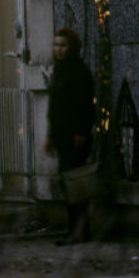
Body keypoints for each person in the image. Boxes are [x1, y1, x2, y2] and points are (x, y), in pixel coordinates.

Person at [44, 27, 96, 245]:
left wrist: (81, 132)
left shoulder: (79, 71)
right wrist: (50, 136)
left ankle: (78, 231)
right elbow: (55, 107)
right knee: (70, 185)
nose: (59, 49)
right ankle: (76, 230)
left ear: (72, 47)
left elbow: (85, 106)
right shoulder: (60, 70)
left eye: (63, 45)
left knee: (75, 186)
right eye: (56, 45)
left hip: (76, 137)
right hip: (62, 137)